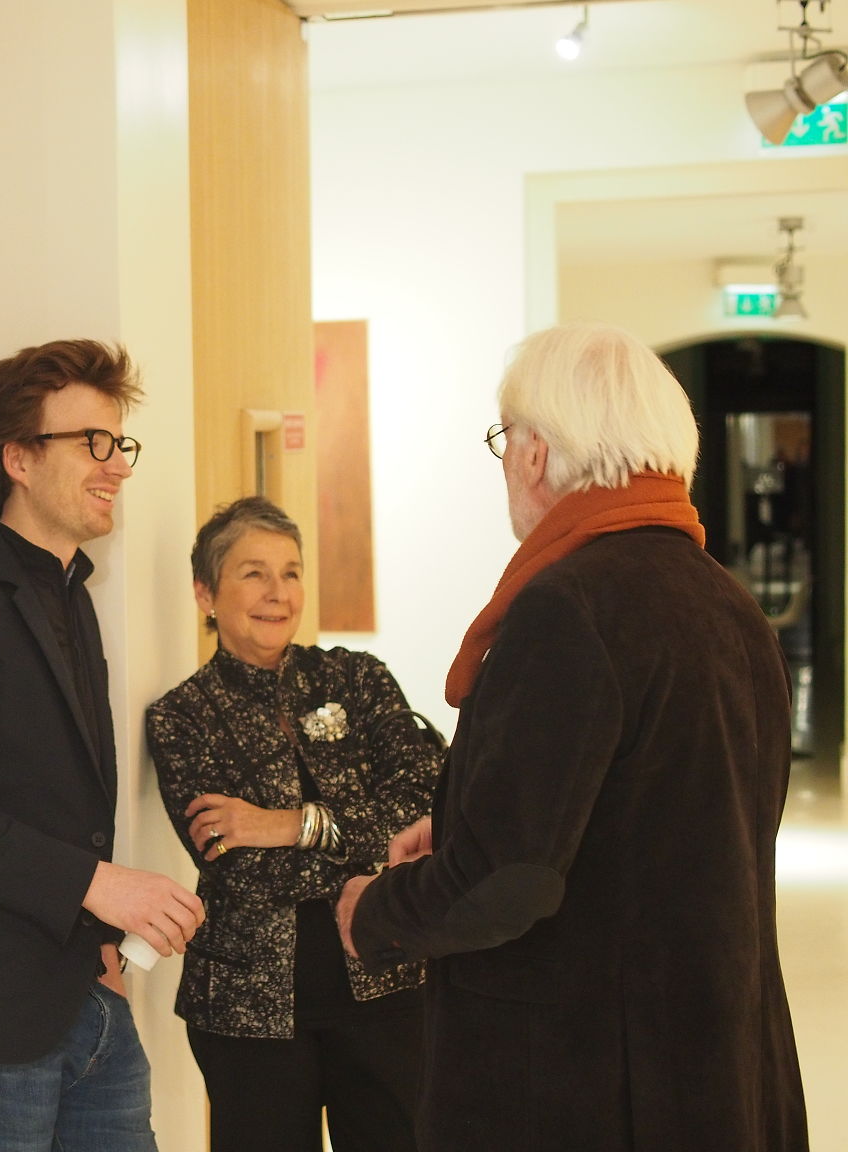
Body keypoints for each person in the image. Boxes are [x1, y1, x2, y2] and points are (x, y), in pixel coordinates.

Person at [337, 322, 809, 1151]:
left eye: (504, 442)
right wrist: (466, 824)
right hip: (714, 1064)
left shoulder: (569, 609)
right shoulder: (729, 606)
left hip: (581, 1088)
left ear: (534, 454)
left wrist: (375, 911)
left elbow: (507, 881)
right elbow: (657, 828)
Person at [0, 338, 204, 1152]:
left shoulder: (74, 595)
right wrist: (98, 886)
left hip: (86, 998)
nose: (116, 465)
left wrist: (98, 945)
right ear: (17, 458)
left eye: (119, 443)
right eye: (92, 442)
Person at [145, 496, 443, 1152]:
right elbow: (242, 868)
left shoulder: (357, 678)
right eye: (253, 573)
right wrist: (365, 844)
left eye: (291, 572)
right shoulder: (182, 717)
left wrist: (288, 824)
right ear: (205, 593)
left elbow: (424, 803)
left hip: (387, 982)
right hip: (247, 1012)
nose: (277, 593)